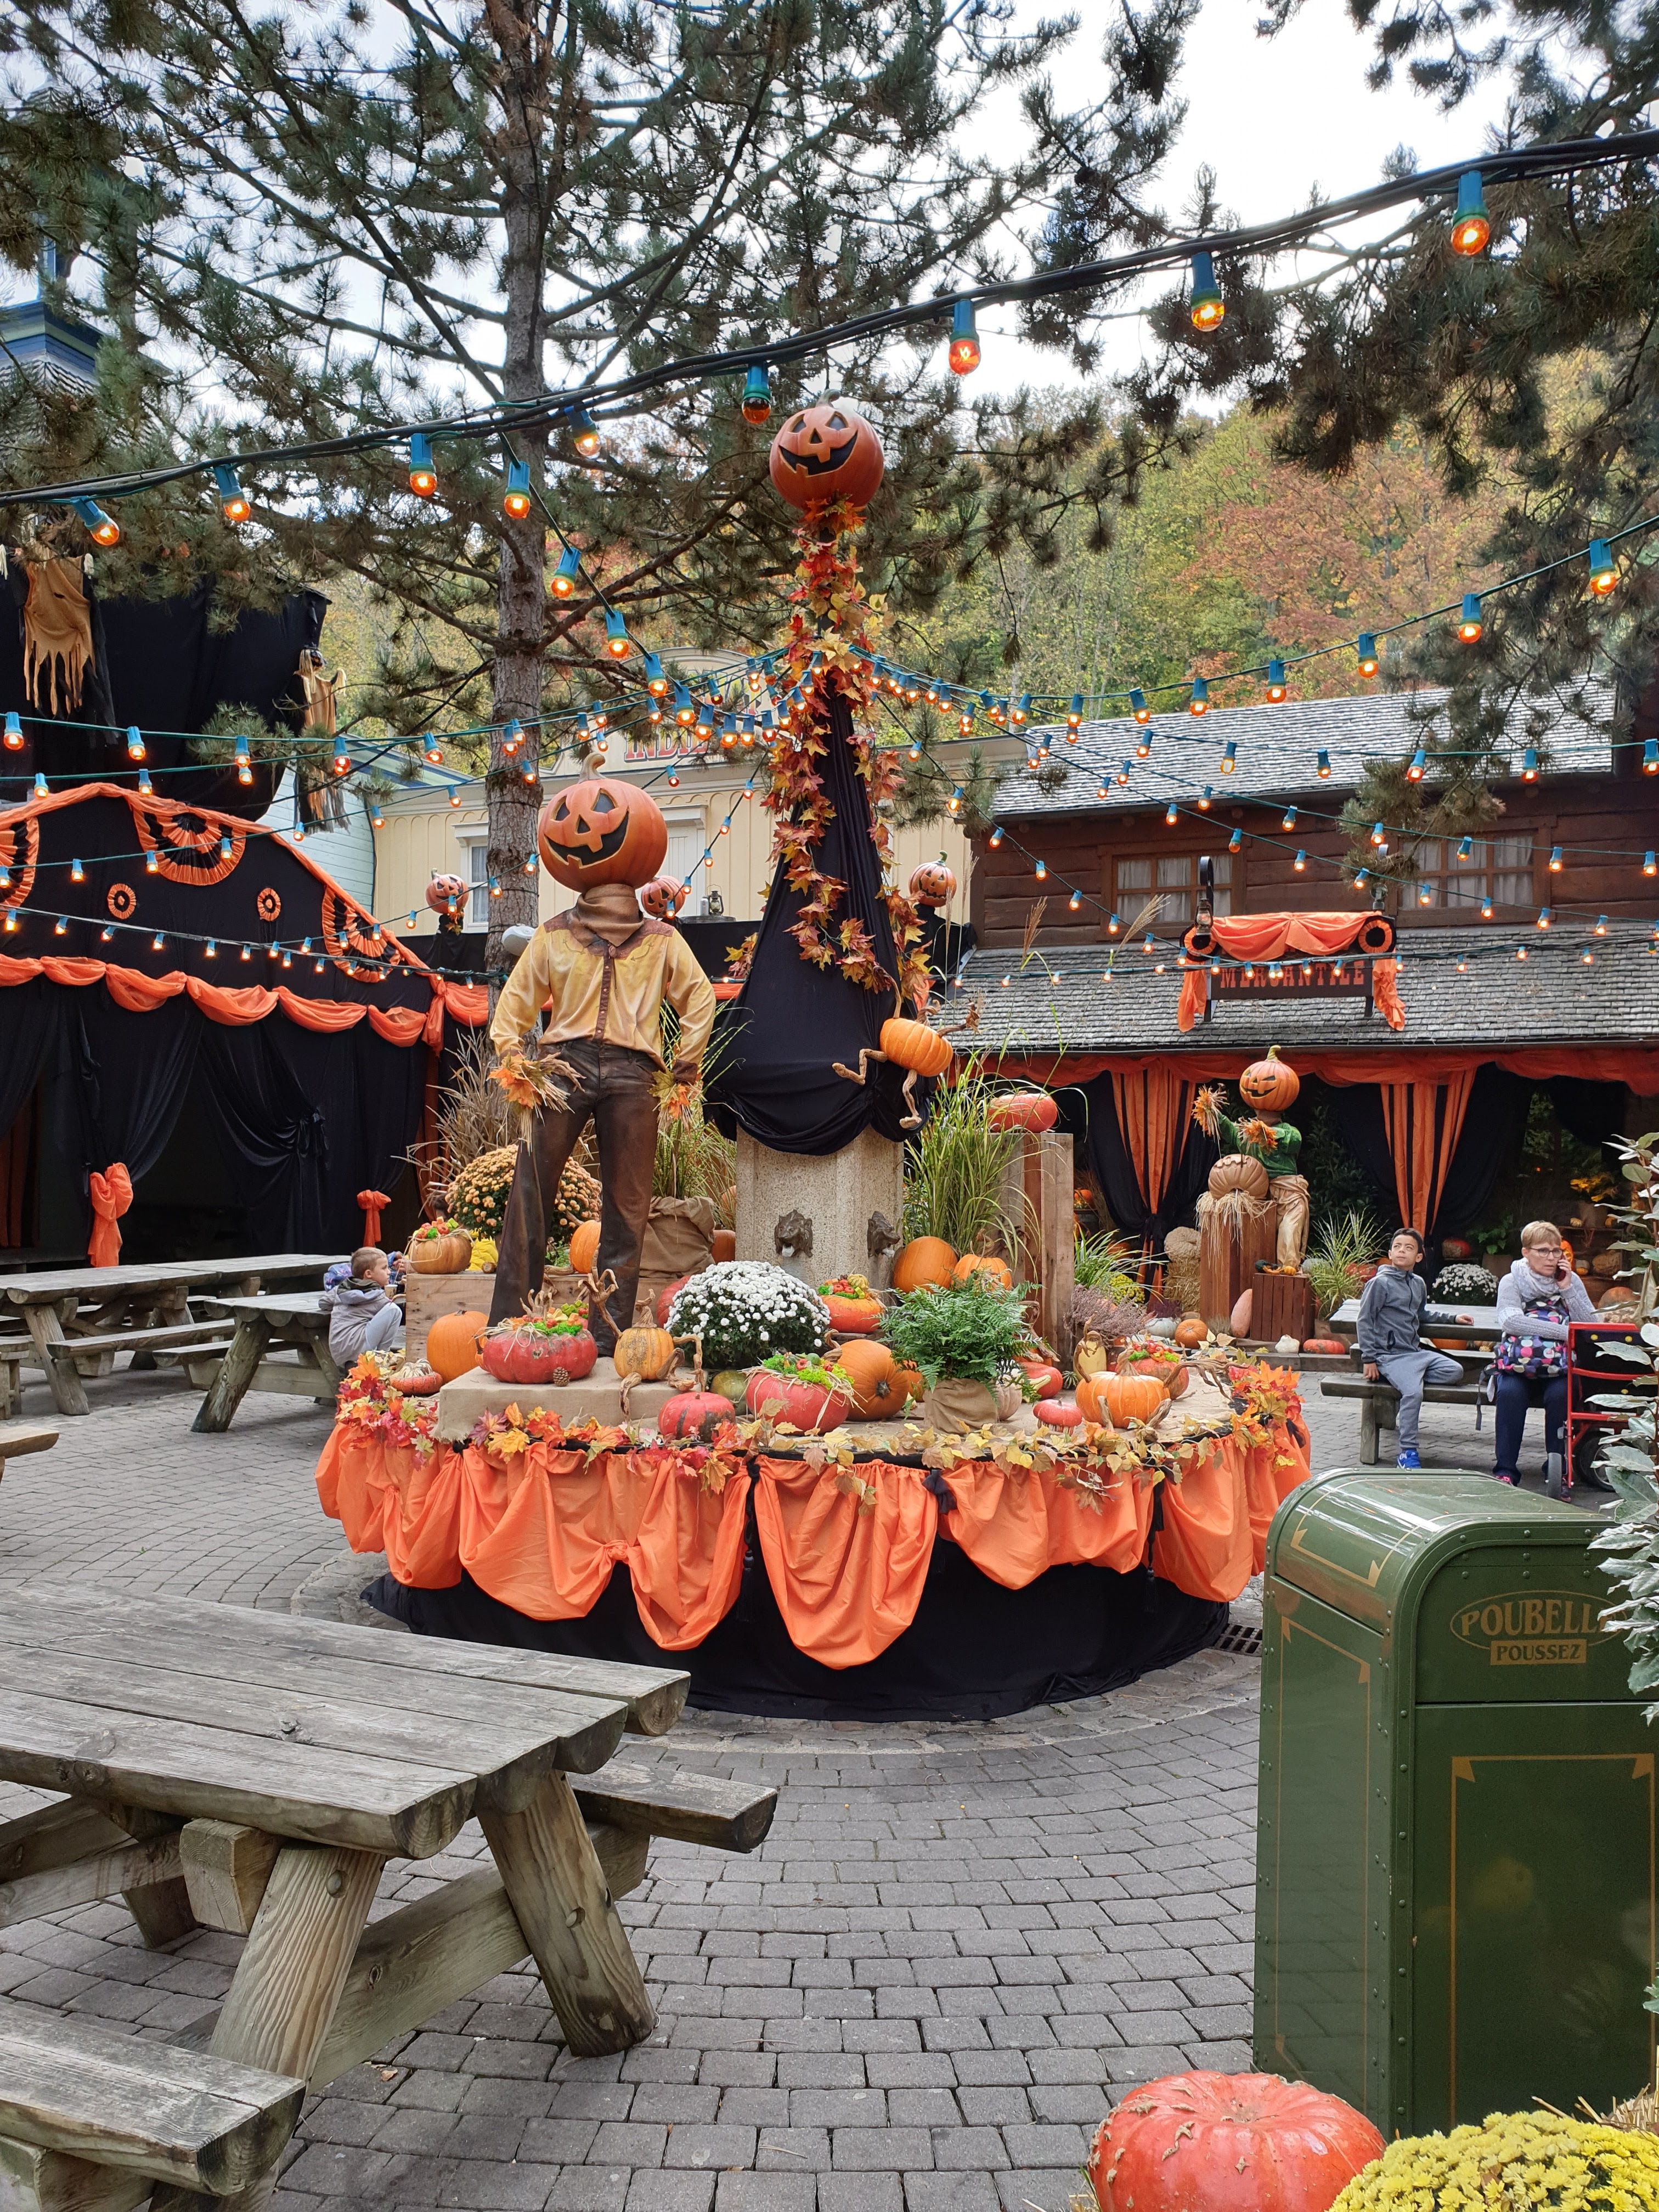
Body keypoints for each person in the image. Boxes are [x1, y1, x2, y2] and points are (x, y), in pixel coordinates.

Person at [489, 881, 715, 1355]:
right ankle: (509, 1329)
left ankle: (606, 1339)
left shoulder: (661, 938)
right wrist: (514, 1059)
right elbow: (514, 1003)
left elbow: (699, 995)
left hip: (633, 1072)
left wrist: (685, 1064)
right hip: (564, 1067)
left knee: (626, 1207)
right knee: (532, 1190)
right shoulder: (554, 933)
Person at [1492, 1220, 1598, 1487]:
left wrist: (1567, 1289)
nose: (1551, 1258)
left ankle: (1557, 1467)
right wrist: (1565, 1332)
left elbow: (1590, 1325)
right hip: (1517, 1366)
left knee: (1561, 1395)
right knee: (1510, 1393)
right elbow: (1511, 1322)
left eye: (1556, 1251)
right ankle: (1505, 1470)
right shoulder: (1511, 1281)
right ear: (1526, 1252)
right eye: (1543, 1251)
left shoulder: (1570, 1282)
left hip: (1560, 1367)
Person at [1357, 1227, 1462, 1470]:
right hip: (1389, 1356)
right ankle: (1407, 1452)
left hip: (1415, 1354)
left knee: (1455, 1371)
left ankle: (1407, 1377)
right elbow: (1365, 1320)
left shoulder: (1418, 1284)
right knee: (1414, 1394)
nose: (1402, 1251)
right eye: (1397, 1247)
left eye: (1409, 1248)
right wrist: (1369, 1358)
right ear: (1390, 1254)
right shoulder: (1379, 1284)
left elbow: (1422, 1314)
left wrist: (1453, 1319)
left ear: (1419, 1256)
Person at [325, 1246, 404, 1365]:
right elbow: (390, 1305)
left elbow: (323, 1303)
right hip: (358, 1349)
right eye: (384, 1268)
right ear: (368, 1274)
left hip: (338, 1351)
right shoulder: (378, 1297)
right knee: (394, 1310)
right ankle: (383, 1358)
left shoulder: (340, 1290)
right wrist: (403, 1286)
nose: (389, 1272)